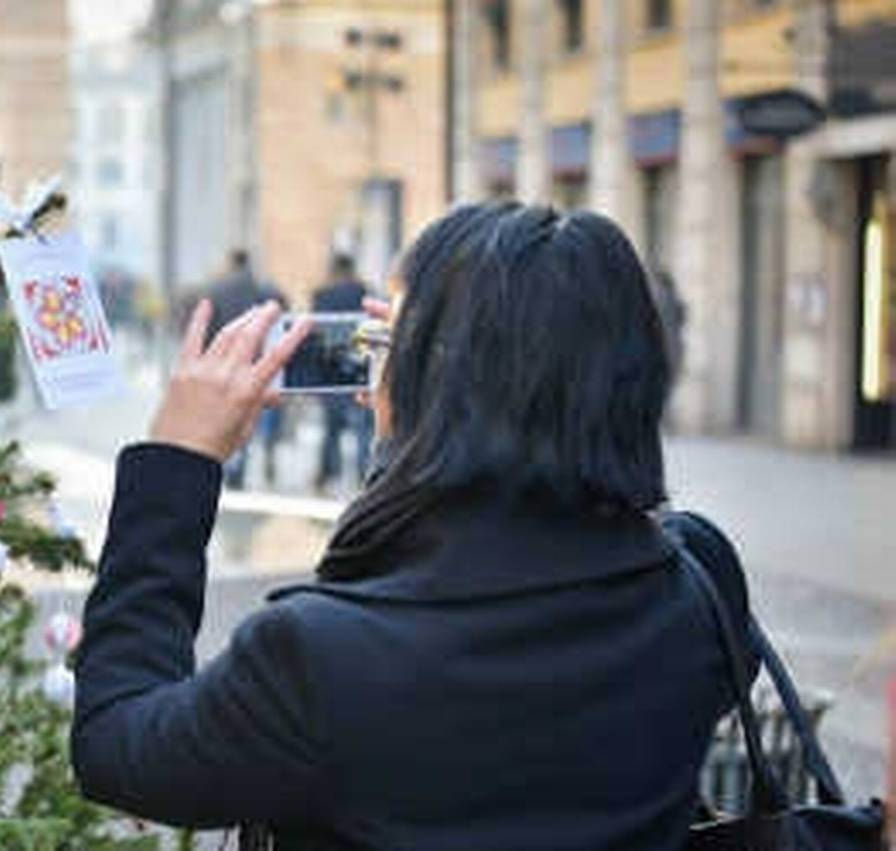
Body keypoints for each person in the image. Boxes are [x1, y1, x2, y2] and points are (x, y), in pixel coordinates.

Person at [72, 203, 752, 849]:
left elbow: (115, 740)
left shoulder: (316, 658)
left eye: (394, 342)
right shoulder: (699, 584)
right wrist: (423, 421)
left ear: (438, 384)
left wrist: (176, 463)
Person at [204, 250, 286, 488]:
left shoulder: (217, 290)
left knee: (236, 418)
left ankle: (235, 468)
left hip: (229, 364)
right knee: (261, 413)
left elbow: (210, 329)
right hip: (263, 364)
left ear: (231, 263)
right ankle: (267, 447)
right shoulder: (266, 290)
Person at [309, 253, 378, 494]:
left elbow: (315, 333)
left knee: (331, 428)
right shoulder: (363, 291)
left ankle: (325, 477)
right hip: (357, 366)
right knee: (362, 428)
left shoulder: (321, 294)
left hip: (329, 368)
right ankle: (364, 477)